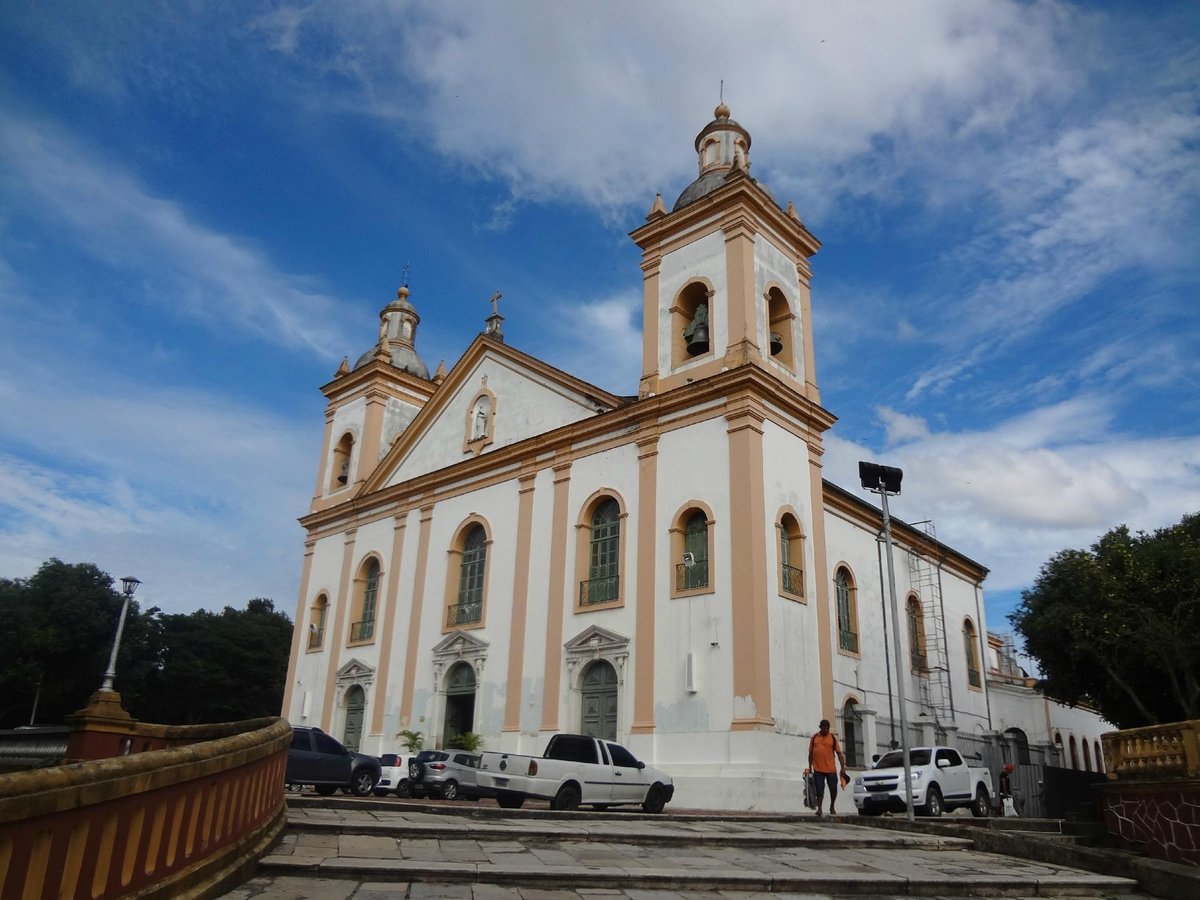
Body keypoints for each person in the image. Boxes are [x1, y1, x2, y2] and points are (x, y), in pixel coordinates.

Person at [807, 719, 846, 816]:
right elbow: (811, 753)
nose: (825, 730)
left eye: (827, 728)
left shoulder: (832, 738)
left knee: (833, 789)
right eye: (824, 728)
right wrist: (810, 767)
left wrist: (842, 767)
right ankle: (819, 809)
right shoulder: (814, 737)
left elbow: (839, 754)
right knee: (819, 790)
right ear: (820, 727)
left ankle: (832, 806)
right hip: (818, 769)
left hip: (831, 769)